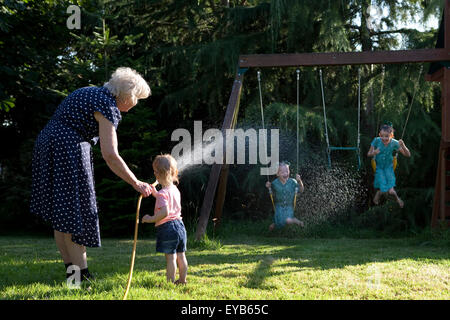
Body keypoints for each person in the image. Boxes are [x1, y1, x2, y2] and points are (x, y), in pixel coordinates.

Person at [30, 67, 152, 282]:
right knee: (75, 216)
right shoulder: (106, 104)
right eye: (137, 99)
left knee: (62, 216)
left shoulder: (89, 91)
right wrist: (136, 182)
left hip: (47, 145)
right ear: (128, 96)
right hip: (68, 149)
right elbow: (111, 154)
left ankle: (73, 278)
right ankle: (82, 277)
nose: (135, 105)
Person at [142, 154, 188, 285]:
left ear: (158, 174)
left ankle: (170, 282)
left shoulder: (163, 194)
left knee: (170, 258)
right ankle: (183, 280)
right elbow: (168, 201)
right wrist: (155, 193)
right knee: (181, 255)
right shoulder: (174, 190)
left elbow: (165, 212)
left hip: (168, 228)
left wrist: (150, 219)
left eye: (155, 171)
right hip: (180, 226)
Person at [367, 122, 411, 208]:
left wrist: (403, 145)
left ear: (391, 136)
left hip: (389, 167)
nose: (384, 138)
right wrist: (374, 152)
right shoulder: (376, 140)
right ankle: (380, 193)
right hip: (378, 166)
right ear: (379, 134)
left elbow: (408, 155)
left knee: (391, 191)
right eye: (382, 136)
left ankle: (394, 198)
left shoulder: (394, 143)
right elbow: (369, 154)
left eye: (386, 136)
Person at [265, 162, 305, 231]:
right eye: (282, 172)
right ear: (277, 174)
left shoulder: (293, 182)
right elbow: (272, 194)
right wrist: (268, 187)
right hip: (278, 206)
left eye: (287, 171)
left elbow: (301, 190)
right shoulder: (274, 183)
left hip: (289, 207)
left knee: (287, 221)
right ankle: (275, 224)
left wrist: (299, 181)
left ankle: (295, 221)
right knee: (279, 222)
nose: (285, 173)